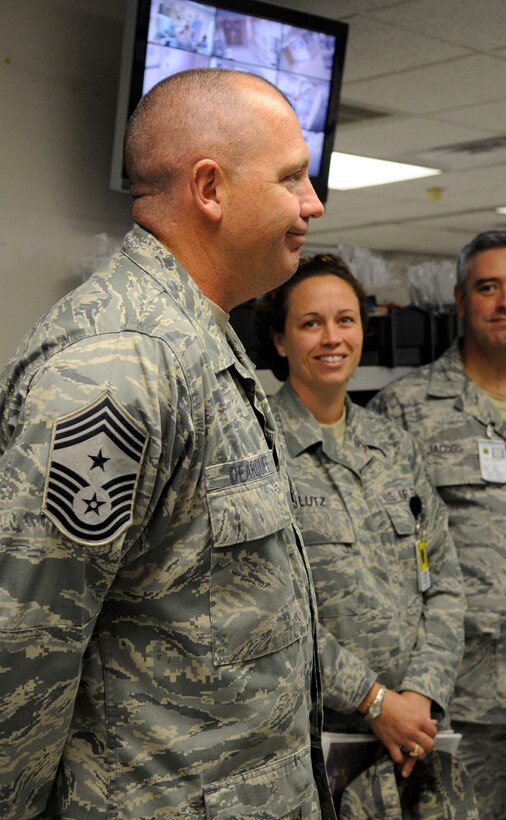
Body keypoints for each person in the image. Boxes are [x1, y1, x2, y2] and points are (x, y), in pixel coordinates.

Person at [0, 68, 334, 819]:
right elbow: (24, 650)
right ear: (209, 189)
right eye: (291, 178)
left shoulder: (199, 338)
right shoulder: (121, 364)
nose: (313, 203)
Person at [254, 254, 477, 818]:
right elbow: (268, 608)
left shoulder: (393, 444)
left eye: (345, 320)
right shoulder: (259, 450)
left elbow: (445, 580)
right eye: (311, 323)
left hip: (415, 740)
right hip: (312, 751)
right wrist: (374, 700)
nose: (332, 338)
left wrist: (419, 695)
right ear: (280, 340)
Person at [369, 230, 506, 819]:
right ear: (460, 300)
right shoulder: (404, 411)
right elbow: (378, 568)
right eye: (488, 287)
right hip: (461, 703)